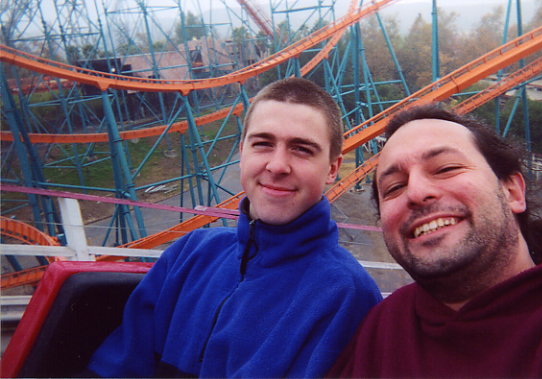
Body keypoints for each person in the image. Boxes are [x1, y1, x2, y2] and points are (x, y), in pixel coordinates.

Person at [87, 78, 382, 378]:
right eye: (263, 144)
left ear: (332, 168)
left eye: (302, 149)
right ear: (242, 152)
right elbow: (117, 366)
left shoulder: (346, 295)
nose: (277, 165)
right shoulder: (190, 253)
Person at [327, 103, 542, 378]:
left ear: (512, 191)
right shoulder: (383, 328)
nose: (417, 192)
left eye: (446, 168)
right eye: (394, 187)